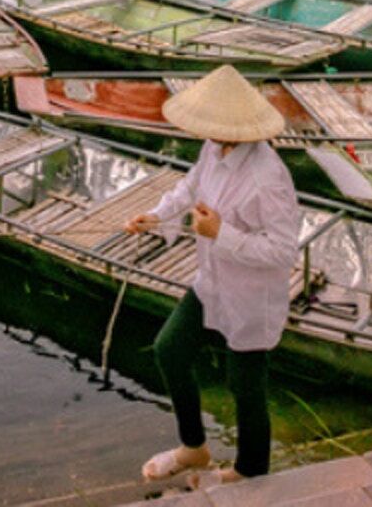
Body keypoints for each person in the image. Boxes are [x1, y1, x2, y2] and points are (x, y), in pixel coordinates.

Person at [127, 66, 302, 489]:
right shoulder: (215, 147)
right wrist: (156, 215)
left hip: (251, 293)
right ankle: (194, 448)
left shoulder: (268, 178)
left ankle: (250, 472)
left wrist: (222, 233)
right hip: (213, 280)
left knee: (244, 384)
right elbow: (191, 188)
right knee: (170, 349)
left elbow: (283, 250)